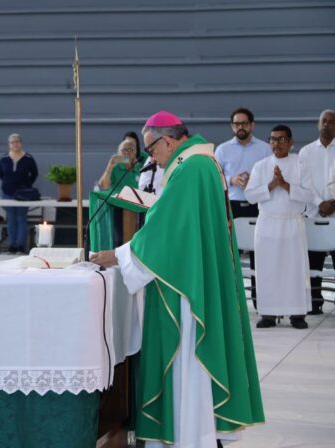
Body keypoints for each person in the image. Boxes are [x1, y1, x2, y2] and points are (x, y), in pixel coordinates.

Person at [91, 111, 264, 446]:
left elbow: (167, 231)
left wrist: (120, 255)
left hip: (188, 285)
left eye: (151, 149)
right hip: (193, 272)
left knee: (189, 357)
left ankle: (190, 434)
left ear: (167, 140)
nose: (150, 156)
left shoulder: (190, 169)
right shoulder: (199, 163)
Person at [245, 125, 314, 329]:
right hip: (268, 222)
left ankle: (297, 313)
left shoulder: (301, 164)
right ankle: (268, 313)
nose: (277, 144)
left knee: (295, 269)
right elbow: (250, 196)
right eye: (273, 139)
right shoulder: (260, 166)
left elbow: (309, 195)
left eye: (282, 139)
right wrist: (271, 185)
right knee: (267, 269)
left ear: (291, 142)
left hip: (292, 222)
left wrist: (285, 185)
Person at [215, 107, 271, 305]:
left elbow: (271, 176)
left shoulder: (265, 148)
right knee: (231, 256)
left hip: (259, 206)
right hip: (232, 206)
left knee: (261, 256)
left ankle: (261, 302)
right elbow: (215, 178)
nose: (240, 127)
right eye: (237, 124)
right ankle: (233, 303)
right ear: (232, 126)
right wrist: (232, 180)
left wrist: (254, 182)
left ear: (252, 125)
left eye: (244, 123)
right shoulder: (222, 150)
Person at [301, 109, 335, 315]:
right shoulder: (306, 152)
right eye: (323, 121)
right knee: (313, 264)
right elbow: (303, 184)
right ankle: (314, 303)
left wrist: (332, 204)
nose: (326, 125)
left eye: (331, 122)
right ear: (318, 124)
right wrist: (319, 203)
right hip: (313, 214)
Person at [0, 133, 38, 253]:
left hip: (23, 195)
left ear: (21, 143)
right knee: (10, 219)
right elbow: (1, 174)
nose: (15, 144)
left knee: (21, 218)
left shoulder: (29, 158)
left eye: (17, 141)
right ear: (9, 144)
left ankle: (20, 245)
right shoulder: (3, 158)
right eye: (12, 142)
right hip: (7, 193)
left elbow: (34, 174)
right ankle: (12, 245)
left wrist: (26, 186)